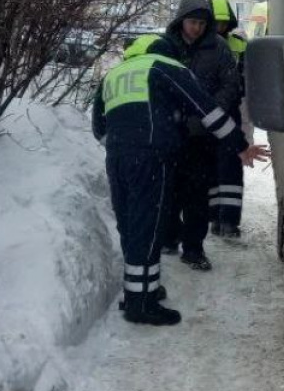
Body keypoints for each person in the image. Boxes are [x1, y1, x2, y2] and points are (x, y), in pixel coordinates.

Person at [91, 33, 266, 325]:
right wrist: (241, 146)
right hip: (151, 156)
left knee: (131, 223)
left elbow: (99, 127)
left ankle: (140, 291)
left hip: (118, 158)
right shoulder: (166, 68)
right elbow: (207, 111)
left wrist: (124, 144)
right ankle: (141, 306)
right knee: (148, 225)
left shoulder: (115, 73)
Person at [161, 0, 243, 270]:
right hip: (171, 133)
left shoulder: (218, 48)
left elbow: (231, 84)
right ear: (181, 20)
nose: (196, 28)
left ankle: (194, 249)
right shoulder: (166, 47)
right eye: (192, 22)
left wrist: (208, 112)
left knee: (197, 195)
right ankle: (169, 237)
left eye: (201, 23)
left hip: (203, 135)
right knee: (169, 190)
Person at [209, 0, 248, 238]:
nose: (218, 27)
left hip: (232, 110)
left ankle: (229, 221)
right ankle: (213, 217)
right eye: (214, 22)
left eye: (222, 23)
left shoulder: (240, 44)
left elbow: (248, 81)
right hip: (205, 113)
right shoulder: (198, 46)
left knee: (231, 166)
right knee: (209, 168)